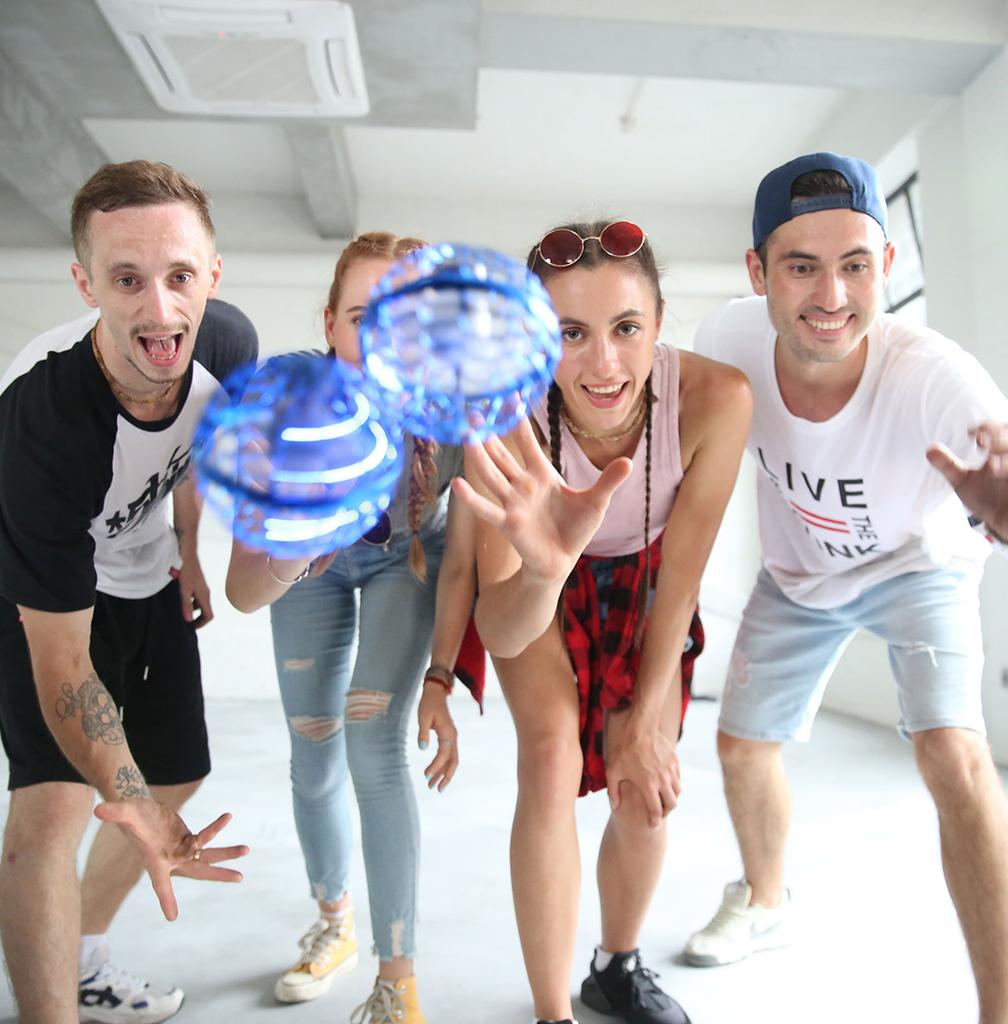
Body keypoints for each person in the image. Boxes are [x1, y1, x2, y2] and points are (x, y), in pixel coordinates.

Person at [683, 152, 1008, 1024]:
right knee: (741, 746)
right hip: (798, 575)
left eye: (856, 265)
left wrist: (1003, 512)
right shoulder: (726, 341)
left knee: (953, 755)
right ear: (757, 272)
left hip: (920, 565)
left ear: (886, 267)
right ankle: (766, 902)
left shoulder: (936, 375)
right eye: (802, 267)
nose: (832, 295)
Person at [453, 220, 752, 1024]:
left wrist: (647, 720)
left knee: (644, 783)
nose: (604, 364)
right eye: (570, 334)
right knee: (551, 756)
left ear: (659, 323)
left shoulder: (718, 399)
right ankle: (553, 1012)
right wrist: (545, 567)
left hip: (650, 581)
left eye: (626, 328)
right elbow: (503, 628)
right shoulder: (499, 411)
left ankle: (616, 968)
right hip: (540, 586)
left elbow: (682, 578)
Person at [0, 160, 254, 1024]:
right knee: (56, 804)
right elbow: (64, 663)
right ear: (86, 283)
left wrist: (191, 550)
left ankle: (83, 957)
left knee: (174, 774)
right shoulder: (43, 421)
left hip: (145, 559)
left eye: (180, 276)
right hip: (34, 574)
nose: (160, 309)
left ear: (213, 275)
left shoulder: (227, 345)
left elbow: (191, 449)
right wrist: (122, 794)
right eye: (127, 280)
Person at [225, 231, 475, 1024]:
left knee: (373, 745)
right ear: (330, 324)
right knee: (313, 748)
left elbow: (466, 563)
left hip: (412, 561)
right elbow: (242, 590)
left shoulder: (457, 415)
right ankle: (334, 922)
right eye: (365, 318)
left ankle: (397, 979)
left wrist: (441, 676)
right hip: (314, 568)